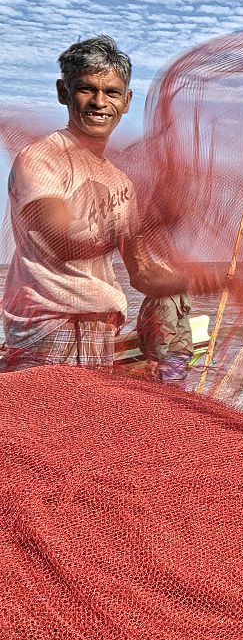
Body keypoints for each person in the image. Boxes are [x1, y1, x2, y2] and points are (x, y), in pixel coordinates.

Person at [1, 36, 182, 371]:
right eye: (87, 89)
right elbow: (61, 241)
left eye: (112, 92)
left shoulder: (121, 182)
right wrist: (159, 221)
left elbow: (141, 273)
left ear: (126, 101)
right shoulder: (42, 158)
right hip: (47, 331)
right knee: (47, 424)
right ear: (63, 92)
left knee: (86, 423)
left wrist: (215, 281)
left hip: (99, 331)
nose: (100, 102)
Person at [136, 293, 194, 385]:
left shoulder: (164, 301)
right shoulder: (158, 297)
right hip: (172, 353)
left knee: (168, 393)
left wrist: (154, 358)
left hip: (170, 354)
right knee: (171, 393)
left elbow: (164, 331)